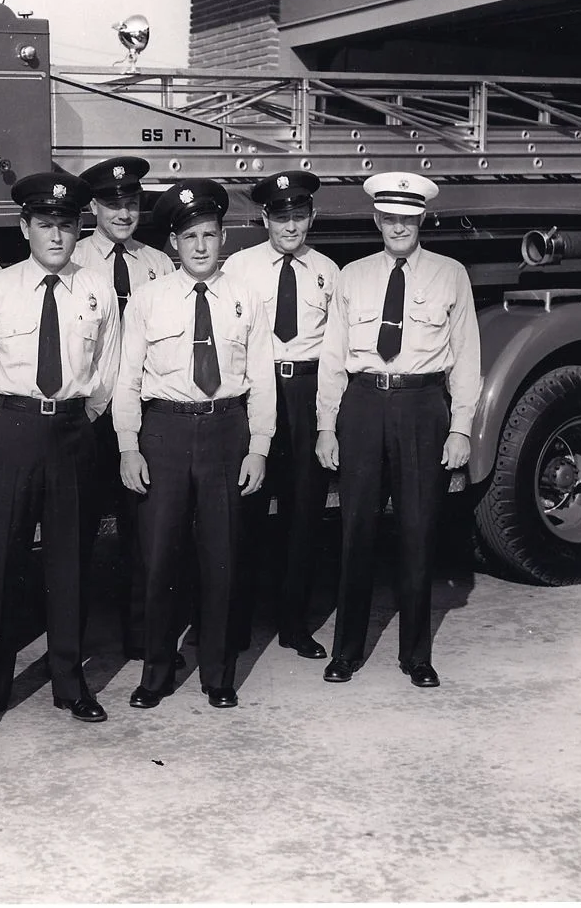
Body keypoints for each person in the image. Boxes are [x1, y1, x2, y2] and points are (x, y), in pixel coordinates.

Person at [0, 171, 121, 727]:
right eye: (45, 225)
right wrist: (1, 424)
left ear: (79, 228)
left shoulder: (98, 287)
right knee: (1, 559)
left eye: (67, 225)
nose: (57, 236)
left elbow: (106, 367)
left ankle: (69, 682)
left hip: (73, 431)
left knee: (70, 559)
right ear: (24, 226)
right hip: (14, 428)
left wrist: (82, 417)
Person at [114, 178, 275, 709]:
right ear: (173, 245)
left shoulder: (245, 298)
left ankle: (218, 674)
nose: (201, 246)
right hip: (164, 431)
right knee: (159, 556)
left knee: (221, 555)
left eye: (209, 234)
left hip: (226, 429)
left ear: (222, 237)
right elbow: (127, 378)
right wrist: (128, 444)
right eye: (189, 237)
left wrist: (259, 446)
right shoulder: (149, 298)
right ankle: (155, 672)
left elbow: (262, 378)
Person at [315, 171, 480, 688]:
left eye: (407, 217)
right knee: (356, 531)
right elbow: (332, 358)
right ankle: (346, 652)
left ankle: (417, 655)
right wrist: (327, 425)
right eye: (389, 217)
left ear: (422, 218)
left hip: (422, 405)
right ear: (376, 219)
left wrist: (461, 428)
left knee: (418, 531)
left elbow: (467, 358)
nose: (398, 226)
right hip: (363, 405)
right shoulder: (352, 275)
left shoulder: (451, 274)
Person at [223, 170, 341, 660]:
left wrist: (327, 416)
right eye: (280, 215)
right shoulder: (239, 267)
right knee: (244, 509)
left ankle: (295, 624)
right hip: (257, 387)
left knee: (304, 510)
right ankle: (236, 624)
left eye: (299, 215)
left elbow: (336, 349)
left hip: (308, 390)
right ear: (263, 216)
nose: (290, 226)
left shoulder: (328, 271)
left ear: (311, 216)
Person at [71, 156, 174, 659]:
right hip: (90, 414)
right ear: (92, 207)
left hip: (142, 416)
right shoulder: (73, 261)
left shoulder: (158, 263)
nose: (123, 213)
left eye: (131, 203)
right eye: (112, 204)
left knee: (144, 532)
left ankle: (144, 637)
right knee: (79, 531)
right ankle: (77, 644)